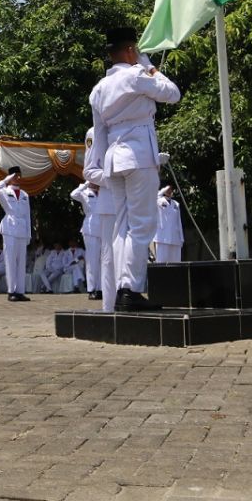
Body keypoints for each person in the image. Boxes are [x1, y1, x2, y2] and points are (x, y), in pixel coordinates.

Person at [87, 26, 180, 311]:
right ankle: (131, 289)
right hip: (138, 157)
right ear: (130, 51)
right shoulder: (137, 75)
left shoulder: (99, 89)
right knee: (142, 225)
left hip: (114, 161)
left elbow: (100, 134)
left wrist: (98, 168)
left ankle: (121, 289)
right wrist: (150, 66)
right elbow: (173, 93)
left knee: (122, 227)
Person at [0, 166, 31, 301]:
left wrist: (29, 234)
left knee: (21, 261)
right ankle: (11, 291)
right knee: (10, 260)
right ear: (10, 177)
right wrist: (5, 181)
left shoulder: (24, 194)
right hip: (10, 228)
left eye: (19, 175)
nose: (18, 178)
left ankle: (20, 291)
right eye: (15, 175)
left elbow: (28, 215)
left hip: (22, 229)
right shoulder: (4, 191)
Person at [69, 157, 103, 300]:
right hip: (90, 228)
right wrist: (86, 184)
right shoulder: (84, 192)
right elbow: (73, 194)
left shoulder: (104, 192)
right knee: (92, 259)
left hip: (103, 228)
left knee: (103, 260)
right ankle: (92, 288)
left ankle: (101, 288)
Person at [152, 186, 184, 263]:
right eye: (167, 189)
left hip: (175, 237)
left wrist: (181, 238)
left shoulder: (176, 204)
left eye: (170, 189)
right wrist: (163, 190)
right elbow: (153, 197)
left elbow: (178, 221)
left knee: (176, 263)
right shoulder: (158, 201)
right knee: (161, 262)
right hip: (162, 237)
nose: (169, 191)